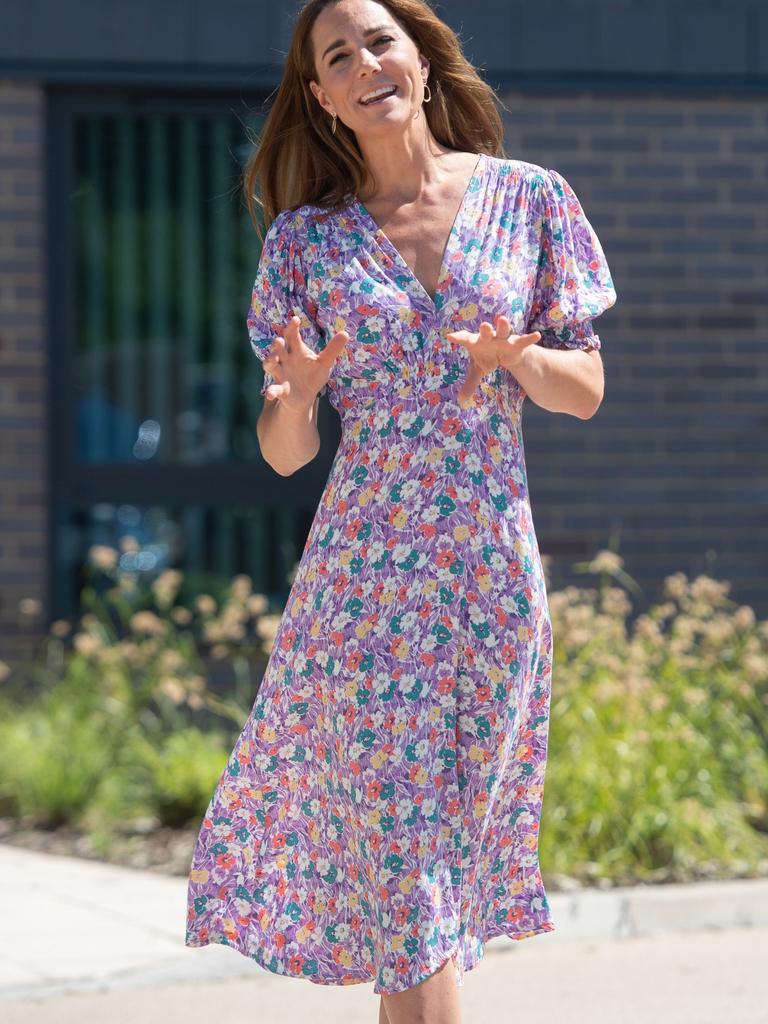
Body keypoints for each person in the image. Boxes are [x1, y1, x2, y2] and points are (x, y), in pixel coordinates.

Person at [185, 1, 617, 1022]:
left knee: (424, 891)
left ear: (421, 61)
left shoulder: (532, 200)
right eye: (338, 57)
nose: (364, 62)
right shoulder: (306, 244)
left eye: (379, 40)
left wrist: (518, 357)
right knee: (409, 881)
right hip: (364, 586)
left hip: (488, 578)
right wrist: (291, 401)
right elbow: (287, 452)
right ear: (323, 99)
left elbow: (586, 389)